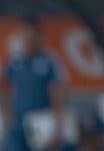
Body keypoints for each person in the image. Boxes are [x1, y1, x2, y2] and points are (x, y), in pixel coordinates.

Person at [1, 14, 68, 151]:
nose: (26, 37)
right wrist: (6, 112)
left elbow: (58, 95)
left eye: (29, 32)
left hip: (41, 122)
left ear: (38, 35)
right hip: (18, 123)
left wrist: (58, 125)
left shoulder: (49, 61)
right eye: (23, 32)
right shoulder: (14, 61)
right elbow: (4, 86)